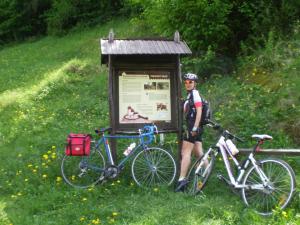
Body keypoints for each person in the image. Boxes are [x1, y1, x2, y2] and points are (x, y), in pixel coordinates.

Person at [175, 73, 205, 192]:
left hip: (193, 127)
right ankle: (205, 176)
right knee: (199, 154)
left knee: (185, 152)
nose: (187, 84)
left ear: (195, 83)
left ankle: (181, 180)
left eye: (190, 82)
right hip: (196, 128)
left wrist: (194, 127)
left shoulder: (195, 94)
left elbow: (199, 110)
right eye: (186, 82)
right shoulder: (190, 95)